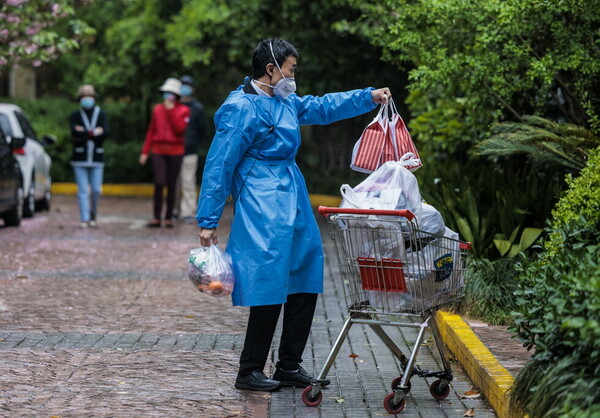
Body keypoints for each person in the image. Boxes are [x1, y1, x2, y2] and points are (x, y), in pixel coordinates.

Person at [195, 38, 391, 392]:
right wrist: (207, 221)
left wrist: (367, 96)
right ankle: (250, 369)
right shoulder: (240, 109)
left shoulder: (285, 102)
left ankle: (289, 364)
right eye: (290, 69)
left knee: (305, 273)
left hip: (293, 193)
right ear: (271, 69)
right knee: (269, 279)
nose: (293, 75)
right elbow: (219, 164)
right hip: (260, 200)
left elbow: (321, 107)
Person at [139, 77, 190, 228]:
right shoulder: (157, 109)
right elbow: (151, 131)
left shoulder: (184, 110)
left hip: (176, 152)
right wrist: (144, 151)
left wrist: (171, 112)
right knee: (159, 182)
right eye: (166, 92)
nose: (168, 95)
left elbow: (179, 130)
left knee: (171, 184)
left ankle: (168, 217)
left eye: (171, 93)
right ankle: (156, 217)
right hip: (158, 150)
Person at [69, 84, 110, 229]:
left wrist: (85, 132)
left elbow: (105, 133)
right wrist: (93, 132)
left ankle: (93, 214)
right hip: (80, 158)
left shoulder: (101, 114)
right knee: (82, 189)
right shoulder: (75, 115)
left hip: (96, 158)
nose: (87, 98)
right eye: (84, 96)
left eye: (89, 95)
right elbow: (74, 132)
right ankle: (84, 218)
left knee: (96, 189)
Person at [175, 75, 208, 223]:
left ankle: (188, 211)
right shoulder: (174, 105)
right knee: (175, 183)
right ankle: (175, 210)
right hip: (173, 151)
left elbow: (203, 130)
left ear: (192, 89)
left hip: (190, 151)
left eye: (187, 85)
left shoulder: (197, 108)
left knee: (188, 181)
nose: (184, 88)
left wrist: (193, 143)